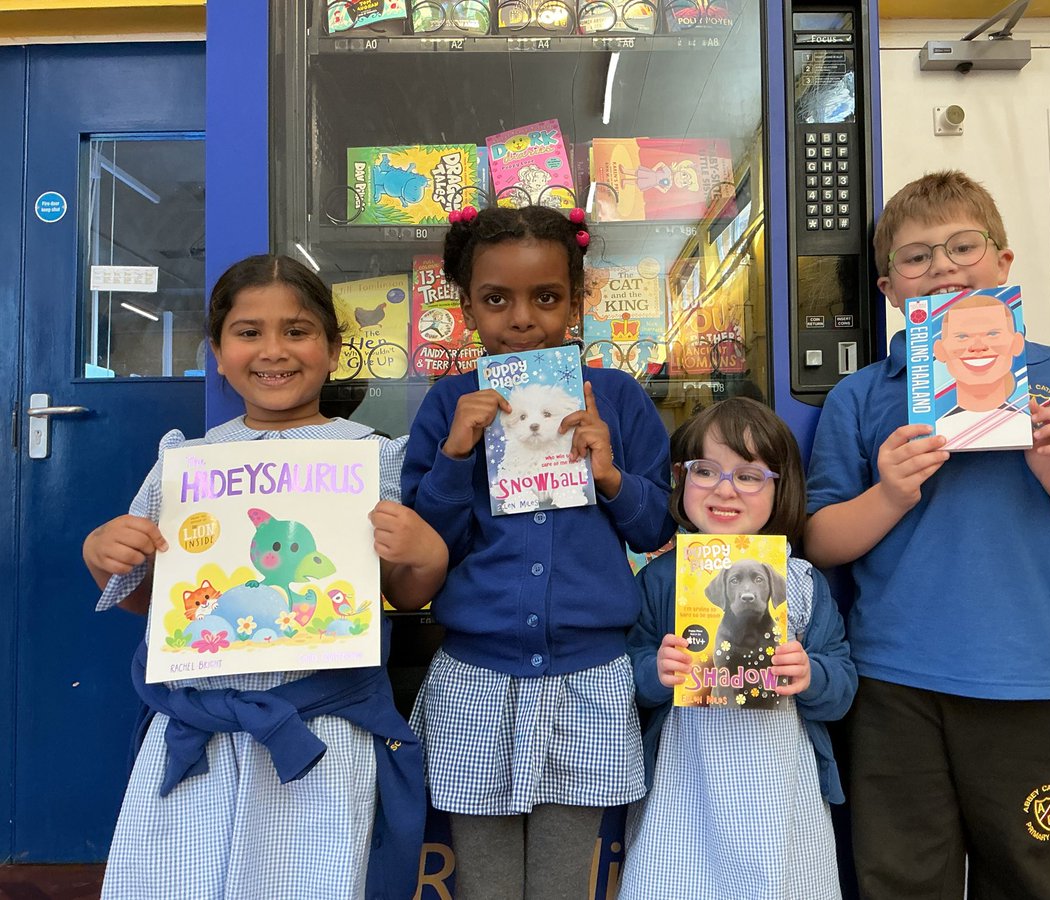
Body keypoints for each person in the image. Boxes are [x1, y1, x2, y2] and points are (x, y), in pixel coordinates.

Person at [804, 170, 1050, 900]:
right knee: (900, 878)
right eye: (916, 257)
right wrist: (892, 492)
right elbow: (821, 539)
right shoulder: (863, 395)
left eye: (964, 246)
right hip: (894, 683)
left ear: (1004, 263)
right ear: (889, 290)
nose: (943, 266)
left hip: (1035, 681)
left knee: (1027, 877)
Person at [82, 254, 448, 900]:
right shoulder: (185, 463)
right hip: (198, 732)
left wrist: (425, 554)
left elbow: (404, 592)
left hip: (319, 731)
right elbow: (150, 600)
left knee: (310, 879)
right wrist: (103, 553)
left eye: (298, 331)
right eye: (249, 332)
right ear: (218, 353)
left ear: (334, 350)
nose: (273, 351)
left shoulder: (374, 456)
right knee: (179, 879)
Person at [400, 204, 675, 900]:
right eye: (496, 299)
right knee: (486, 884)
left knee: (561, 881)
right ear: (466, 307)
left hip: (589, 678)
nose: (522, 318)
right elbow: (427, 550)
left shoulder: (614, 397)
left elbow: (654, 530)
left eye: (546, 297)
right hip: (477, 677)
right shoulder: (449, 405)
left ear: (577, 301)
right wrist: (456, 457)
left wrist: (609, 475)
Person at [620, 397, 856, 900]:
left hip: (782, 797)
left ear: (780, 489)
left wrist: (811, 674)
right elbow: (625, 678)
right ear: (681, 480)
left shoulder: (802, 582)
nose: (725, 489)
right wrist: (653, 671)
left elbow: (843, 686)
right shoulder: (662, 579)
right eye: (706, 471)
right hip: (683, 789)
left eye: (749, 476)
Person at [930, 292, 1031, 449]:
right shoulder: (931, 432)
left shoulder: (1029, 428)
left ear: (1017, 343)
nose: (978, 346)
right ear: (940, 351)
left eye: (992, 334)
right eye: (962, 337)